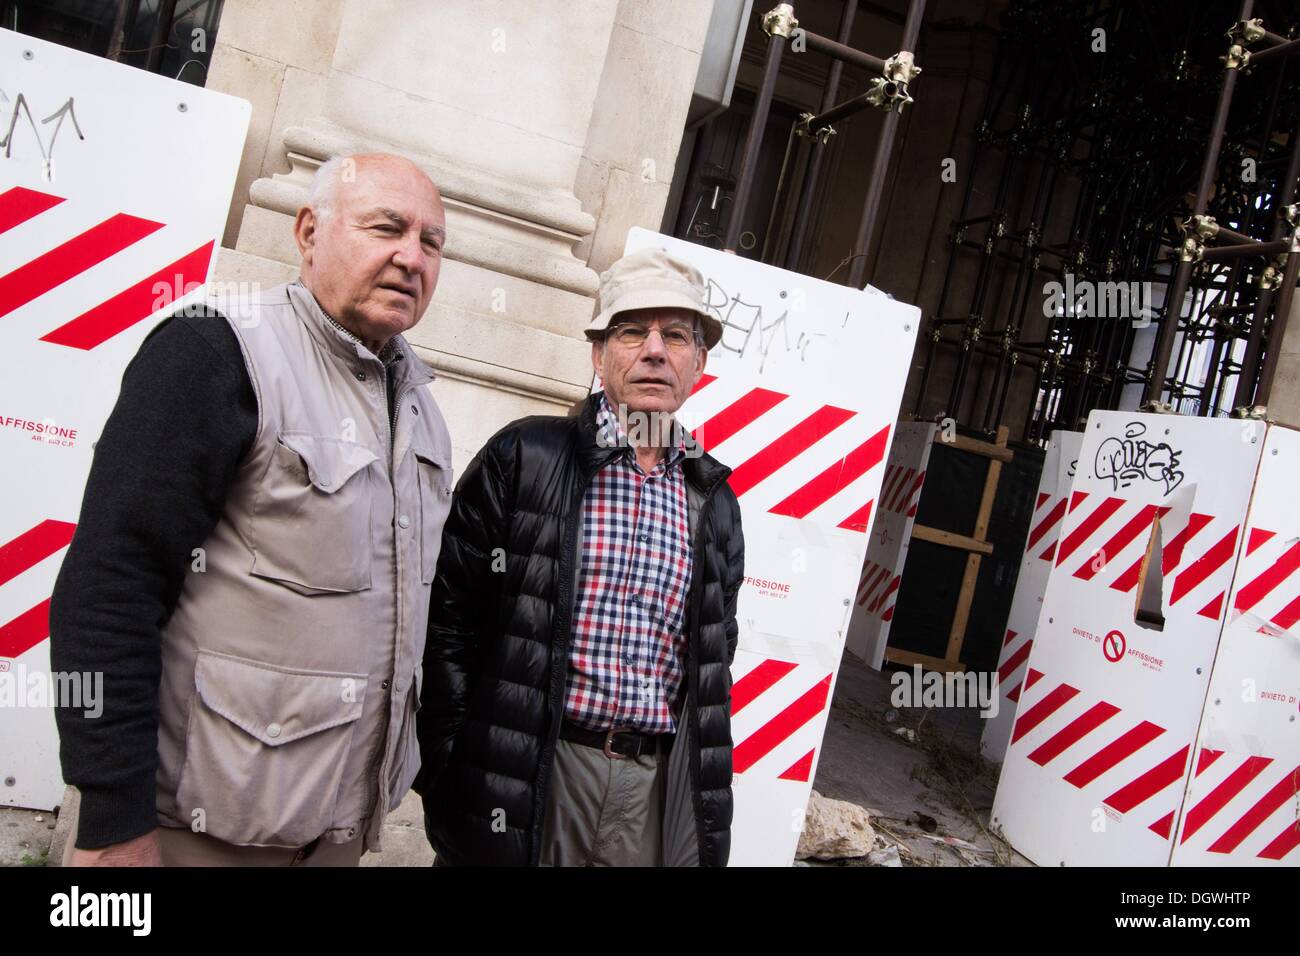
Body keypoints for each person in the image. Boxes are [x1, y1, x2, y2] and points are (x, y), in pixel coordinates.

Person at [51, 152, 452, 866]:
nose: (409, 257)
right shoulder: (216, 349)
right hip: (186, 834)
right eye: (385, 227)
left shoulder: (418, 402)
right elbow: (110, 585)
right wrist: (114, 821)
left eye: (430, 242)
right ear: (308, 232)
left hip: (331, 836)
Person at [417, 246, 745, 866]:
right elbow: (448, 622)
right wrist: (452, 765)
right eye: (631, 331)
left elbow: (711, 660)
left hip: (648, 791)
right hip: (530, 772)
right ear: (599, 354)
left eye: (676, 335)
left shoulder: (715, 501)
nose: (654, 350)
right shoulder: (526, 457)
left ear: (698, 363)